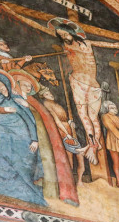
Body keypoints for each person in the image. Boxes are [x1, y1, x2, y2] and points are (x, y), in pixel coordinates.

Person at [0, 2, 119, 162]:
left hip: (92, 84)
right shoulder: (65, 46)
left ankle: (94, 146)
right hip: (77, 81)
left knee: (93, 117)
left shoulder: (87, 43)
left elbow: (111, 44)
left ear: (71, 32)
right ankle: (91, 144)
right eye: (60, 34)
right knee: (83, 116)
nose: (63, 37)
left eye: (65, 34)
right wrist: (11, 11)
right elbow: (36, 25)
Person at [0, 69, 47, 206]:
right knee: (5, 159)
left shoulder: (17, 99)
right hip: (4, 135)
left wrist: (34, 139)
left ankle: (26, 188)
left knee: (25, 161)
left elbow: (29, 119)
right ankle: (5, 186)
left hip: (23, 135)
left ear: (6, 82)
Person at [11, 68, 80, 206]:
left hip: (43, 139)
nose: (28, 87)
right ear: (17, 85)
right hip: (24, 139)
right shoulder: (13, 99)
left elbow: (45, 119)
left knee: (50, 164)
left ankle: (59, 193)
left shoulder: (33, 101)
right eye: (25, 85)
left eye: (30, 86)